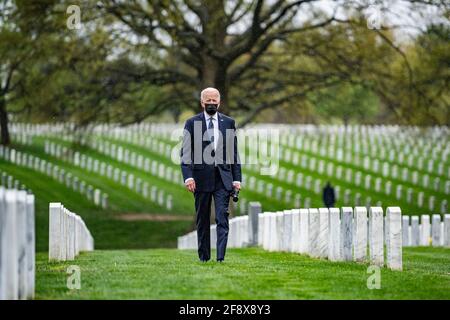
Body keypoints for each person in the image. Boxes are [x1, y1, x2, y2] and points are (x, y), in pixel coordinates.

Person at [180, 87, 242, 263]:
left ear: (219, 102)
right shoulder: (192, 123)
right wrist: (188, 176)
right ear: (202, 102)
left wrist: (237, 179)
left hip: (223, 179)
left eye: (215, 100)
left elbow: (234, 153)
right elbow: (185, 153)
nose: (212, 103)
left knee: (222, 217)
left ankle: (220, 258)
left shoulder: (228, 123)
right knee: (203, 219)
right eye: (208, 100)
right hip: (201, 179)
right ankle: (204, 257)